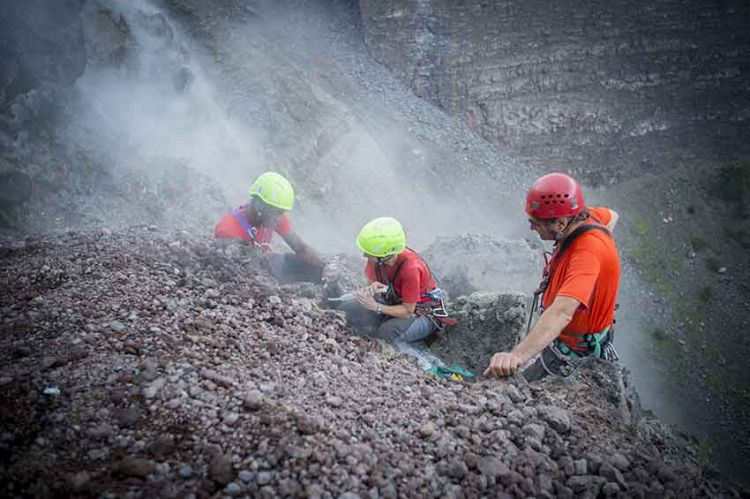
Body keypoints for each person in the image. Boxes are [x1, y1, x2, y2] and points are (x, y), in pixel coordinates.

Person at [484, 173, 621, 381]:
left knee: (512, 387)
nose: (531, 227)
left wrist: (516, 356)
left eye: (536, 223)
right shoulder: (588, 219)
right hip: (566, 343)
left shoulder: (587, 252)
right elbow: (612, 215)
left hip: (576, 356)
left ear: (560, 224)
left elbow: (562, 312)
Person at [338, 217, 451, 343]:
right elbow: (371, 289)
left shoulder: (411, 268)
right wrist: (370, 293)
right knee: (346, 308)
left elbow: (407, 311)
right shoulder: (375, 259)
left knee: (387, 333)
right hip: (394, 302)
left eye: (369, 254)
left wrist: (376, 307)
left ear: (386, 255)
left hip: (422, 312)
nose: (365, 256)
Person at [214, 171, 325, 283]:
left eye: (281, 213)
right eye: (276, 212)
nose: (279, 218)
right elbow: (240, 273)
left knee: (312, 268)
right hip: (248, 276)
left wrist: (325, 267)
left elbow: (300, 248)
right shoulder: (228, 230)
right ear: (259, 206)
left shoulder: (271, 215)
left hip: (267, 265)